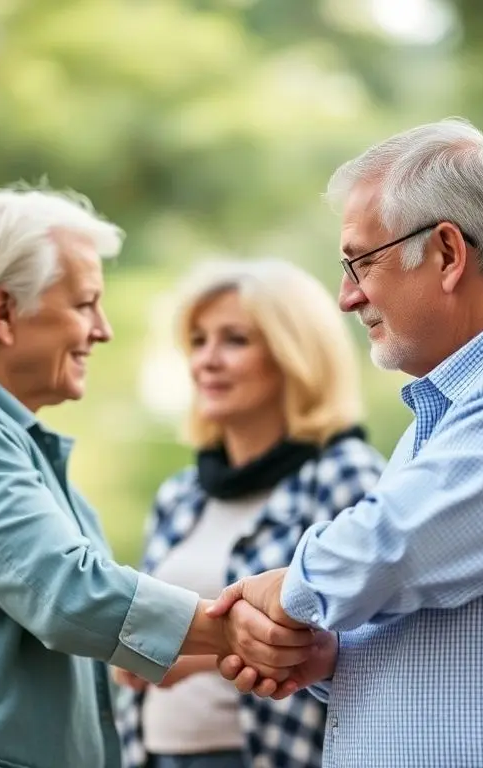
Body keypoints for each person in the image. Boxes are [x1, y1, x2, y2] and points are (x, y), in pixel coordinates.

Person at [211, 118, 483, 767]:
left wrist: (288, 589)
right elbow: (450, 606)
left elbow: (397, 550)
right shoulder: (450, 410)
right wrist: (334, 653)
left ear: (447, 253)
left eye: (361, 262)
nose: (347, 296)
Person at [0, 189, 316, 768]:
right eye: (84, 305)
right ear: (2, 313)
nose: (101, 330)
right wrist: (232, 630)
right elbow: (67, 591)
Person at [115, 259, 385, 768]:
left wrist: (196, 654)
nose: (207, 360)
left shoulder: (343, 474)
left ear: (293, 355)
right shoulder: (181, 495)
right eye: (198, 341)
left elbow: (373, 640)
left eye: (234, 340)